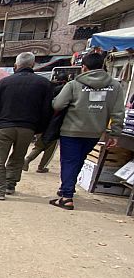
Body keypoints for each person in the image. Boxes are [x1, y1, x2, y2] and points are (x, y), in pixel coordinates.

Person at [49, 52, 126, 210]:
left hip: (71, 130)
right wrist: (115, 133)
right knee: (79, 160)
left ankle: (66, 197)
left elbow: (57, 105)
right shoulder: (115, 86)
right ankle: (66, 188)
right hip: (95, 132)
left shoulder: (74, 85)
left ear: (83, 67)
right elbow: (118, 111)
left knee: (69, 161)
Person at [0, 52, 53, 200]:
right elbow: (47, 110)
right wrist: (38, 128)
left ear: (16, 66)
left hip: (4, 126)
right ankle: (10, 185)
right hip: (28, 128)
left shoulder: (4, 82)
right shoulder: (44, 84)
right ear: (33, 65)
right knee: (18, 157)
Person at [23, 72, 69, 173]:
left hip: (41, 124)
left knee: (39, 145)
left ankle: (28, 159)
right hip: (55, 126)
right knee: (50, 149)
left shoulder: (48, 90)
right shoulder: (66, 93)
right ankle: (41, 166)